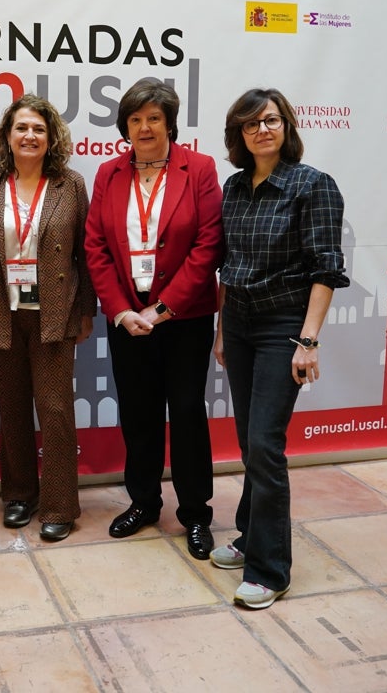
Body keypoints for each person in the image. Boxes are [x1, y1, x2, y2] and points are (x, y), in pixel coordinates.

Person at [211, 87, 349, 610]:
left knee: (266, 443)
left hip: (283, 325)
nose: (261, 131)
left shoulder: (312, 185)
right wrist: (223, 330)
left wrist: (308, 341)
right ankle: (250, 536)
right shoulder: (235, 187)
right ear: (239, 136)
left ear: (286, 126)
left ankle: (270, 570)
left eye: (269, 121)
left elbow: (326, 269)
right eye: (250, 125)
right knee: (250, 440)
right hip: (241, 321)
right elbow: (228, 266)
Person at [84, 77, 224, 560]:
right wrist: (122, 311)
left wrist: (162, 309)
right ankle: (143, 503)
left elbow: (208, 245)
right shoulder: (108, 173)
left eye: (153, 118)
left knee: (186, 412)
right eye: (135, 119)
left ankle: (195, 515)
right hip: (128, 320)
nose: (143, 127)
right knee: (138, 414)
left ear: (169, 123)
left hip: (184, 319)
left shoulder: (199, 168)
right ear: (125, 126)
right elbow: (96, 247)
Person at [0, 94, 96, 542]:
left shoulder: (71, 185)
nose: (30, 135)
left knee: (55, 410)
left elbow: (86, 254)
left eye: (39, 128)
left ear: (50, 137)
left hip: (54, 313)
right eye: (21, 128)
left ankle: (60, 504)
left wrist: (86, 311)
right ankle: (20, 494)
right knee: (14, 409)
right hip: (3, 310)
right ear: (7, 136)